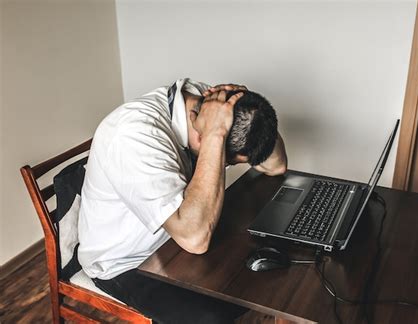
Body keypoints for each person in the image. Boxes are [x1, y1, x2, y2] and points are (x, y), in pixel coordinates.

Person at [78, 78, 287, 323]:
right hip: (125, 261)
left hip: (174, 240)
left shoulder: (204, 103)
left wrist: (254, 112)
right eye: (228, 162)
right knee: (210, 317)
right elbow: (195, 240)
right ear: (203, 138)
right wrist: (215, 136)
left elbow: (276, 166)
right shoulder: (133, 136)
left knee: (268, 266)